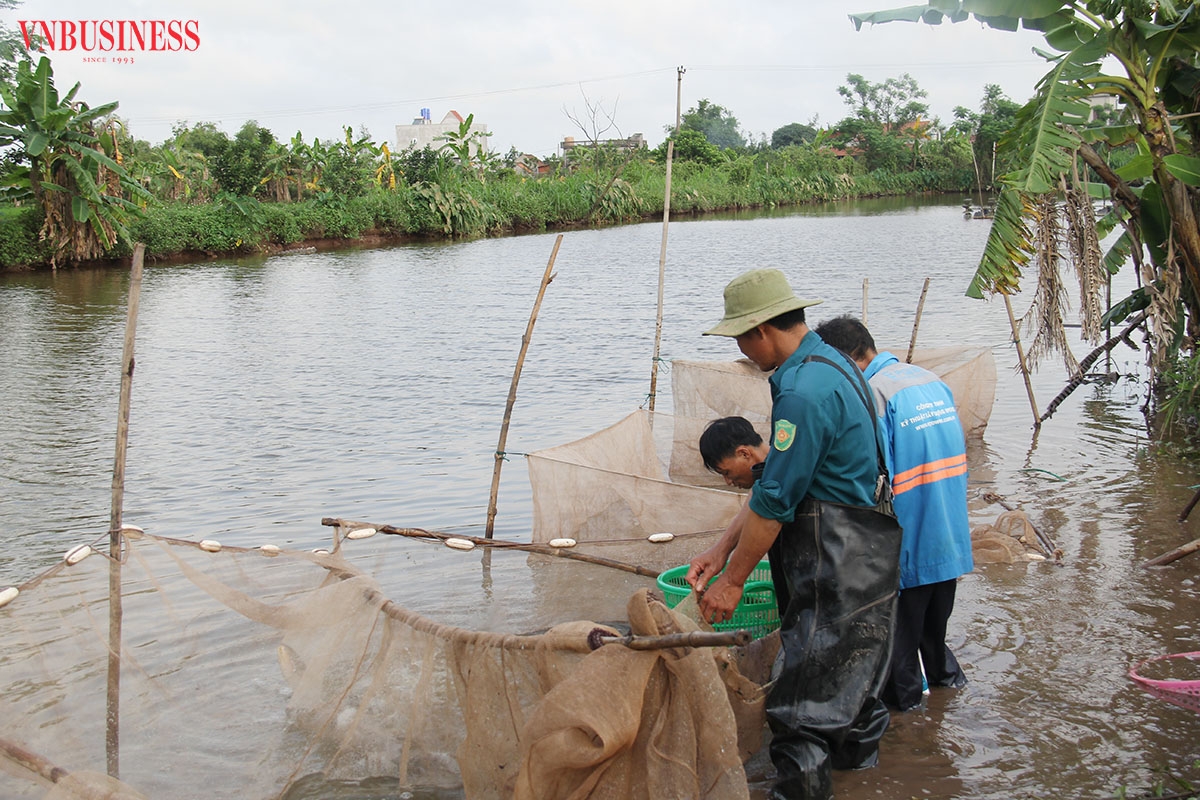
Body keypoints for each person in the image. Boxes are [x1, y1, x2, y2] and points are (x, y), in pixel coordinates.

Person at [687, 268, 900, 800]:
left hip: (832, 559)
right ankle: (861, 783)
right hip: (867, 549)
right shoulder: (834, 363)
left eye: (739, 336)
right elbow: (776, 482)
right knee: (855, 687)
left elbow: (777, 503)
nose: (739, 348)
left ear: (761, 330)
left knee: (800, 705)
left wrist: (733, 581)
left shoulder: (803, 392)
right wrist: (720, 549)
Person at [814, 314, 972, 712]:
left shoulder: (872, 395)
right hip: (949, 527)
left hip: (908, 535)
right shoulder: (929, 380)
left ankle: (912, 725)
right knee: (935, 632)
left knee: (899, 644)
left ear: (847, 360)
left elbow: (872, 474)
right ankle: (949, 690)